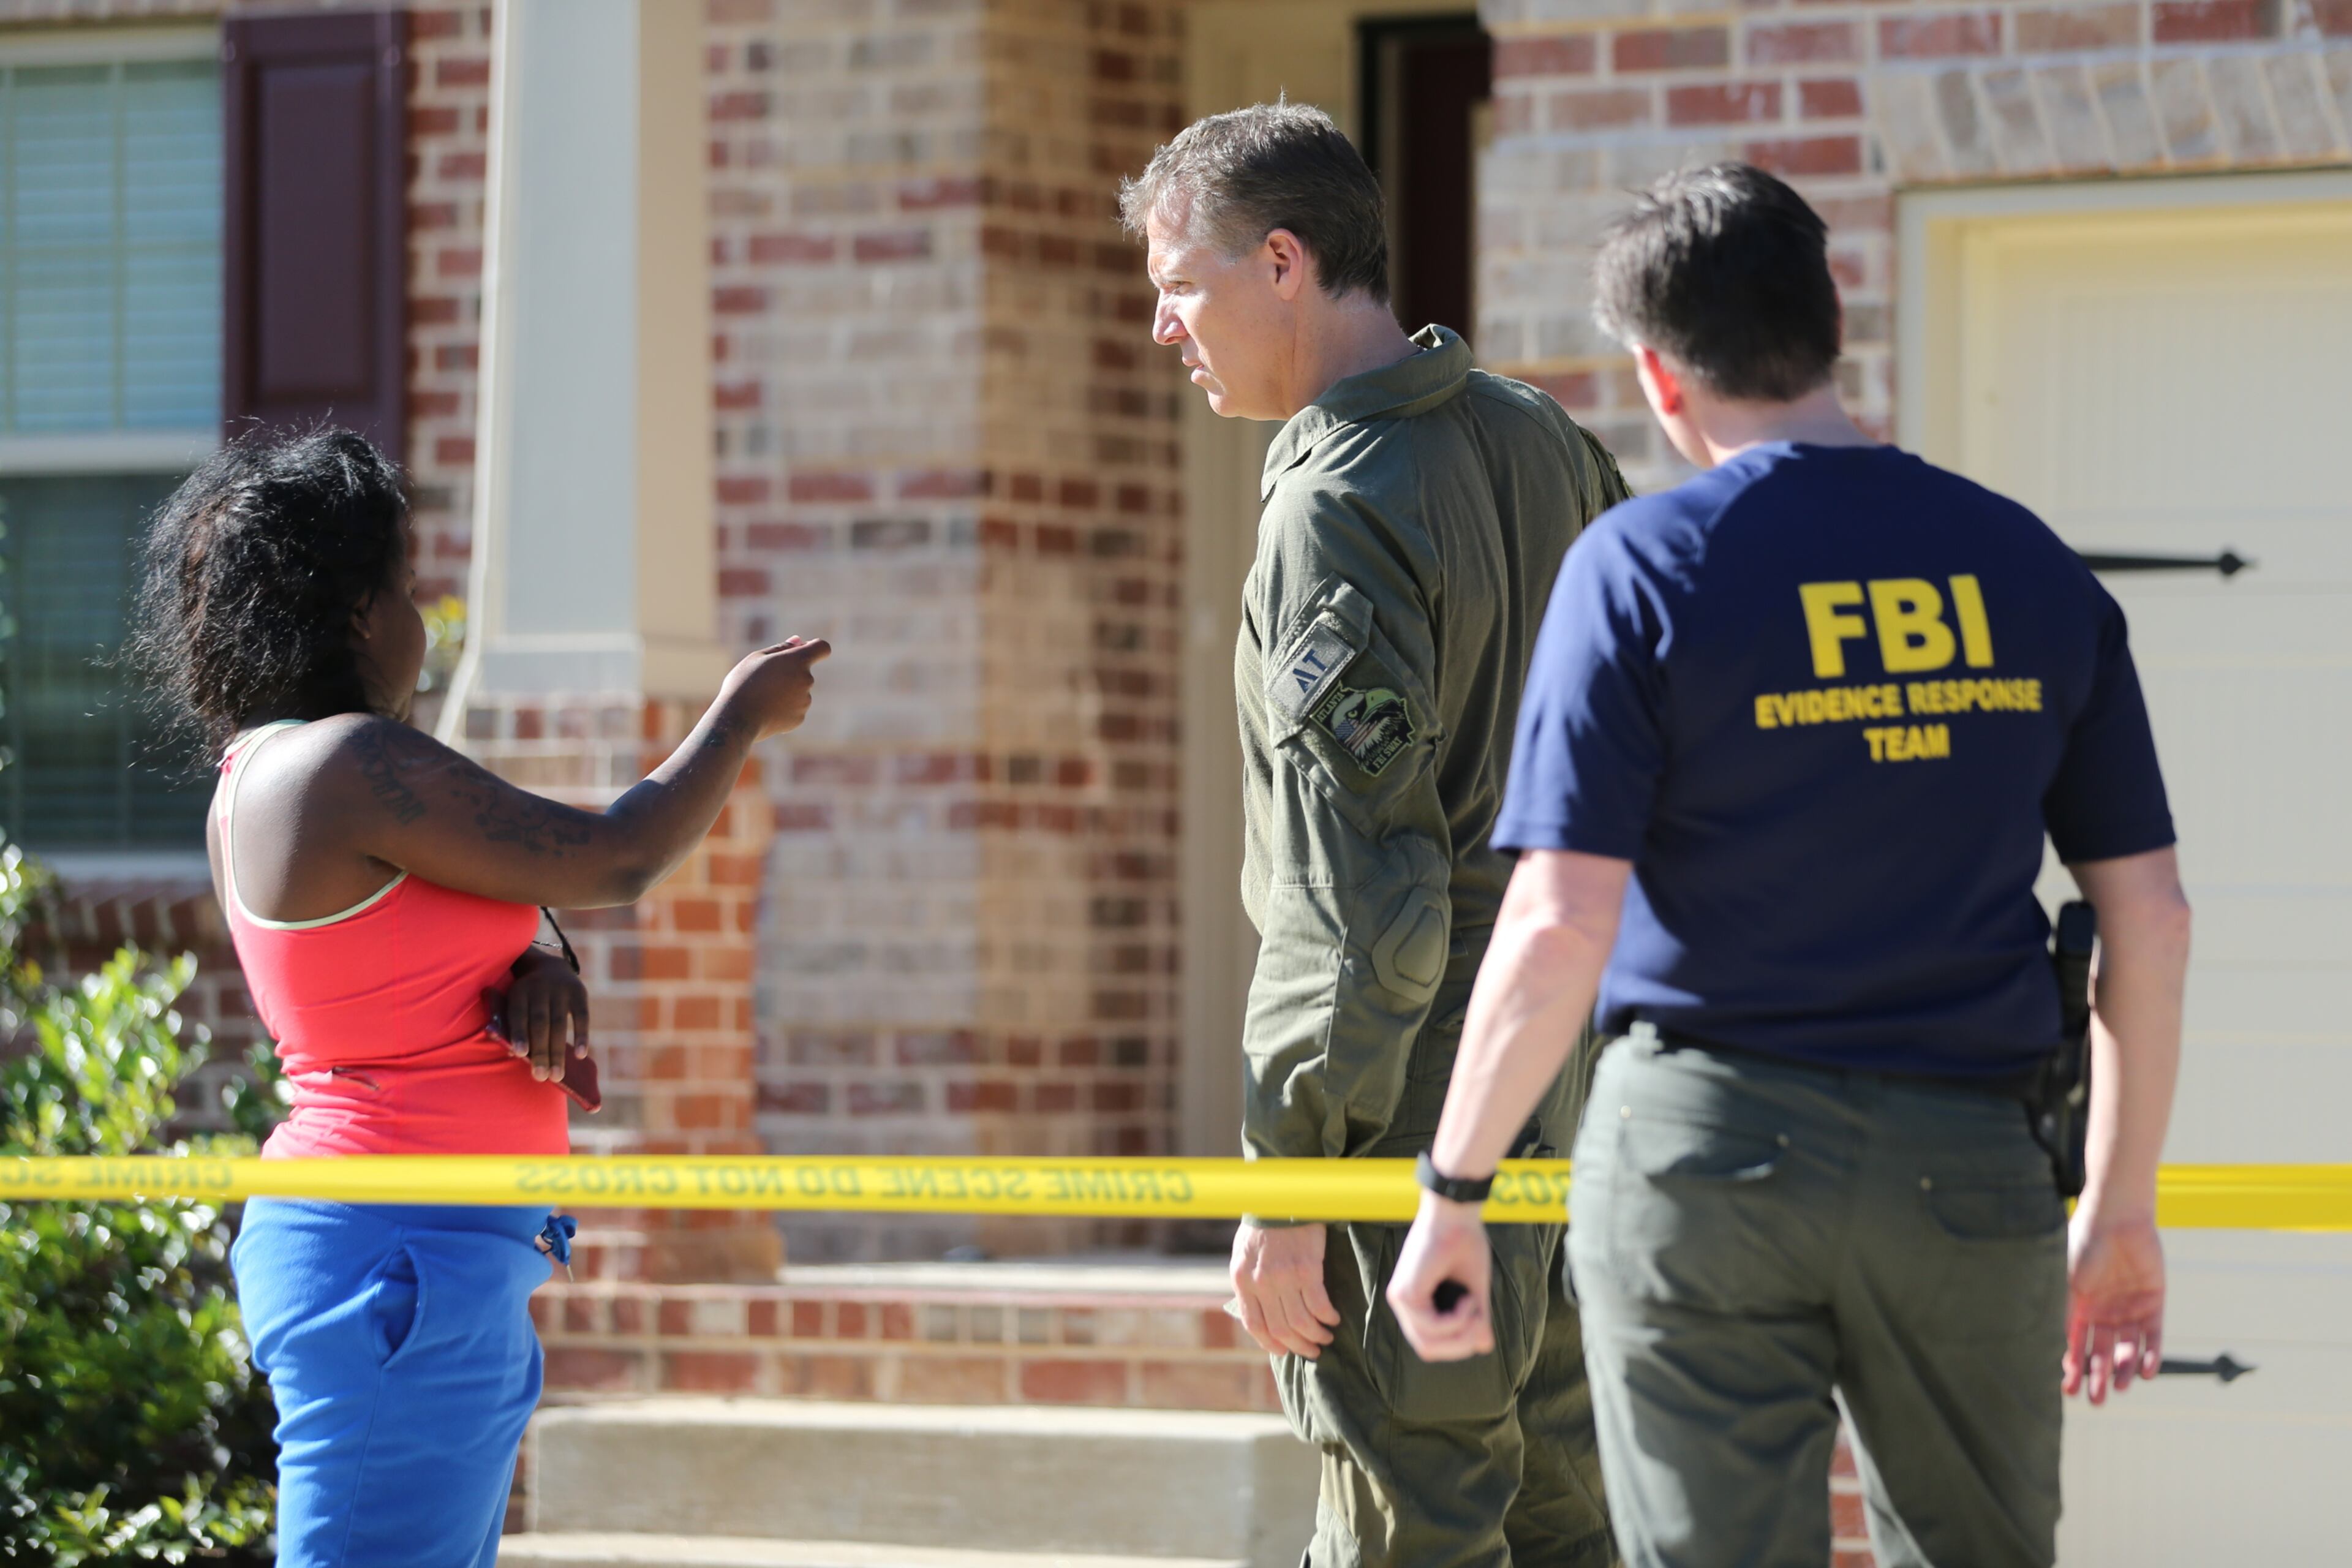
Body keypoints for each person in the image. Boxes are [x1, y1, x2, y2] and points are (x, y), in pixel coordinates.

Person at [1387, 164, 2190, 1568]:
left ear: (1658, 373)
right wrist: (2122, 1207)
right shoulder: (2027, 566)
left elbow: (1560, 920)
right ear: (1832, 325)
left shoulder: (1641, 567)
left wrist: (1454, 1189)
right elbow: (2152, 920)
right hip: (1967, 1154)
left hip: (1706, 1151)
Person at [129, 428, 828, 1568]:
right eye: (407, 586)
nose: (423, 618)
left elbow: (415, 945)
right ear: (358, 612)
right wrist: (741, 712)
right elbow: (615, 857)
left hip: (423, 1254)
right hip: (401, 1261)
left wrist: (536, 967)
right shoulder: (347, 765)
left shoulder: (275, 771)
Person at [1121, 104, 1629, 1567]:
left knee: (1415, 1523)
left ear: (1283, 262)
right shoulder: (1542, 437)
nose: (1163, 325)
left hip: (1409, 1108)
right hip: (1566, 1083)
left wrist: (1293, 1170)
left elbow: (1359, 892)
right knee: (1566, 1515)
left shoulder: (1336, 504)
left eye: (1182, 282)